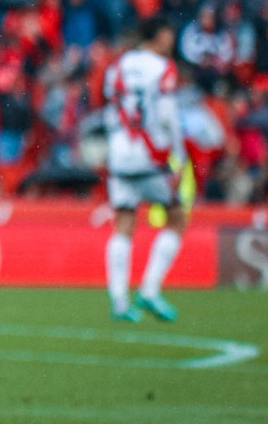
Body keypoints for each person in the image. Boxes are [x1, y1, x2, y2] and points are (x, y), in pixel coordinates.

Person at [104, 16, 187, 323]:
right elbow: (167, 114)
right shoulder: (163, 68)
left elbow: (112, 106)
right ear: (161, 34)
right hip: (151, 154)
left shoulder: (117, 67)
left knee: (124, 221)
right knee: (176, 217)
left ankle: (119, 299)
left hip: (120, 153)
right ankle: (150, 289)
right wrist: (178, 157)